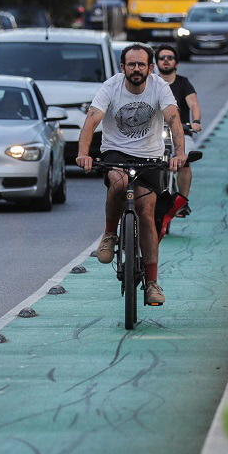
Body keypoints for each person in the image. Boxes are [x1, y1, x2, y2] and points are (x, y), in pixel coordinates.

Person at [76, 44, 186, 307]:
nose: (136, 69)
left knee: (146, 212)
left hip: (150, 157)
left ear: (150, 67)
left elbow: (173, 119)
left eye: (141, 64)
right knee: (119, 182)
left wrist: (180, 153)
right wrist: (83, 154)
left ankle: (152, 283)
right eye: (131, 64)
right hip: (115, 152)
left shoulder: (160, 87)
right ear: (122, 67)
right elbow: (91, 121)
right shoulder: (110, 87)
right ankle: (109, 234)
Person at [156, 44, 201, 214]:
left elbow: (194, 104)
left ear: (176, 63)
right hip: (155, 134)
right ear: (156, 63)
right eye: (162, 58)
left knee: (184, 162)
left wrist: (195, 122)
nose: (166, 60)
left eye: (170, 57)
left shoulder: (184, 83)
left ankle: (182, 201)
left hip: (181, 132)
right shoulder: (151, 83)